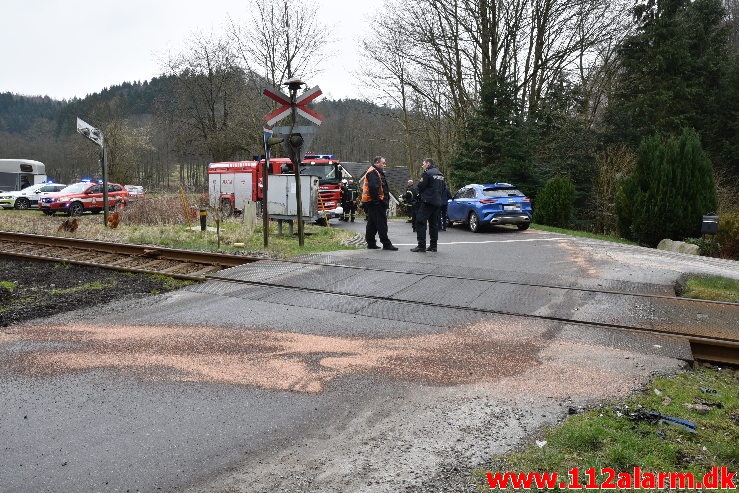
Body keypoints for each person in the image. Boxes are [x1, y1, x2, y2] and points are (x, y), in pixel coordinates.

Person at [362, 156, 398, 250]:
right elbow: (373, 188)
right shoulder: (373, 172)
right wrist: (377, 202)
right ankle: (386, 243)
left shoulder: (375, 171)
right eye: (383, 163)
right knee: (381, 223)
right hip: (375, 203)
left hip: (372, 202)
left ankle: (371, 243)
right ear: (377, 162)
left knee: (372, 223)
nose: (384, 165)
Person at [411, 158, 447, 253]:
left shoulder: (427, 173)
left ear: (428, 164)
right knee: (434, 224)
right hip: (437, 202)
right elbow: (444, 189)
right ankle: (433, 246)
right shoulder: (440, 174)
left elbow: (420, 186)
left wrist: (420, 195)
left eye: (423, 164)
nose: (422, 166)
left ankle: (421, 246)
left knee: (420, 221)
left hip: (427, 201)